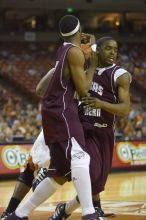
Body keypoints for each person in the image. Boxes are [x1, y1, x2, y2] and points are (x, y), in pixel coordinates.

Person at [5, 15, 98, 220]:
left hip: (54, 111)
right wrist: (92, 65)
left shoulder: (64, 50)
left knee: (60, 172)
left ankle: (19, 214)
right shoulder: (74, 52)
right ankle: (89, 213)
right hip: (62, 112)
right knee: (81, 156)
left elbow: (41, 89)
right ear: (79, 30)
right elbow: (83, 92)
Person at [47, 36, 131, 219]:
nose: (113, 53)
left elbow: (125, 109)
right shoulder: (83, 69)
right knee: (91, 174)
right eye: (108, 48)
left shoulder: (120, 75)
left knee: (99, 180)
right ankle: (93, 210)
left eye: (115, 49)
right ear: (97, 50)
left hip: (105, 130)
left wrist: (101, 104)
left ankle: (66, 209)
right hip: (84, 129)